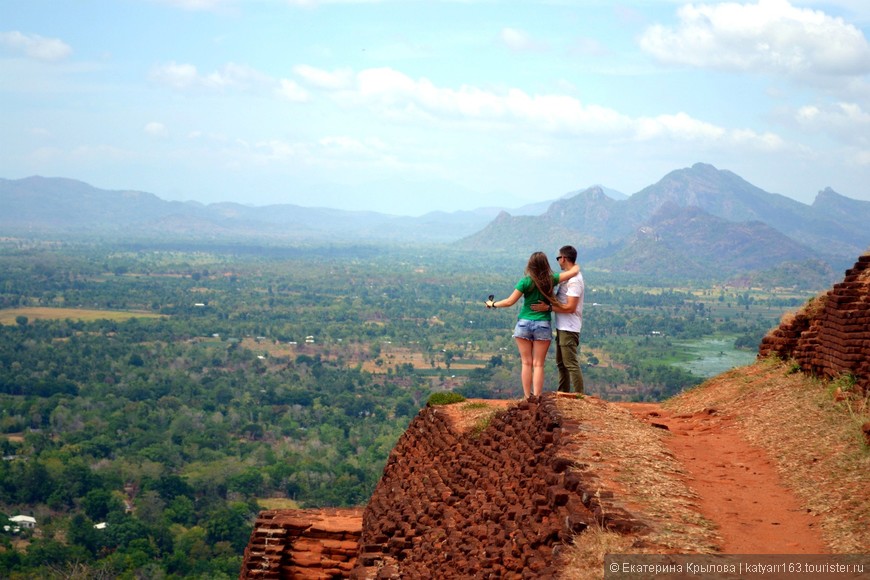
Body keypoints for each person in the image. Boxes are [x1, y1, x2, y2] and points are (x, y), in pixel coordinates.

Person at [485, 252, 579, 399]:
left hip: (523, 324)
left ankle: (527, 397)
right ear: (546, 265)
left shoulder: (525, 282)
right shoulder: (551, 279)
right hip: (542, 324)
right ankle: (537, 397)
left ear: (530, 265)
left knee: (526, 363)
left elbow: (510, 302)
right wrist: (574, 263)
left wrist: (493, 304)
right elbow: (574, 271)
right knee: (538, 364)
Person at [531, 246, 585, 395]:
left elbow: (570, 308)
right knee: (561, 363)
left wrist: (547, 308)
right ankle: (564, 393)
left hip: (569, 327)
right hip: (563, 326)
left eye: (558, 258)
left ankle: (579, 396)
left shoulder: (574, 281)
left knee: (570, 364)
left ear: (563, 258)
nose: (558, 261)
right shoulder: (568, 276)